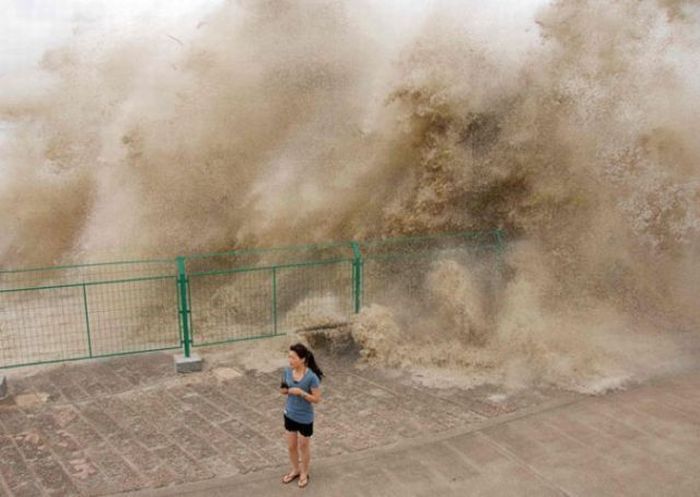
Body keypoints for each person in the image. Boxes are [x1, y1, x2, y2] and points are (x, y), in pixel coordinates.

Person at [280, 342, 323, 488]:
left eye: (293, 357)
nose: (290, 360)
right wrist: (286, 390)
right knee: (291, 446)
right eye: (289, 357)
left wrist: (301, 393)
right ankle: (295, 470)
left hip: (305, 418)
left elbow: (317, 399)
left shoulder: (311, 377)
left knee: (303, 446)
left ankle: (304, 472)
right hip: (289, 414)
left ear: (302, 359)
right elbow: (282, 389)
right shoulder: (286, 372)